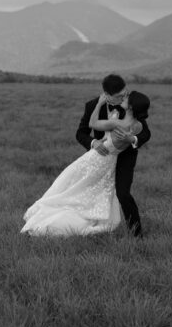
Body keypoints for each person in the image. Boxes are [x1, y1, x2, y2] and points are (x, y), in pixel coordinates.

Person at [21, 74, 151, 237]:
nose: (125, 97)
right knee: (80, 192)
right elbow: (81, 133)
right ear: (107, 94)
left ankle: (137, 233)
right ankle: (79, 223)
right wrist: (93, 143)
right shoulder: (92, 105)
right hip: (99, 158)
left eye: (125, 93)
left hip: (125, 157)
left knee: (123, 193)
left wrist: (132, 138)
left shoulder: (131, 105)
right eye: (119, 96)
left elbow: (145, 133)